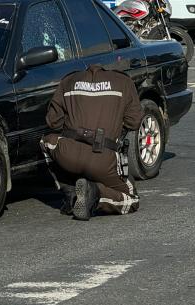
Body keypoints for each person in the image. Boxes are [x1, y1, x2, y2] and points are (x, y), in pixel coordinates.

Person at [41, 64, 143, 220]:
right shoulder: (123, 82)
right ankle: (95, 194)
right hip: (103, 157)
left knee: (45, 142)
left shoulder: (68, 81)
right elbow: (134, 122)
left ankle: (69, 194)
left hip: (69, 154)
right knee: (131, 200)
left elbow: (53, 122)